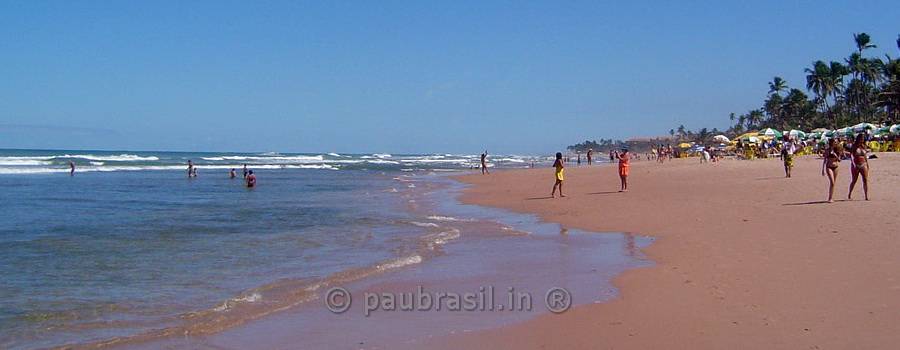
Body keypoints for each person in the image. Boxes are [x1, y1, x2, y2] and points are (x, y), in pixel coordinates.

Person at [848, 133, 870, 201]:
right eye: (861, 138)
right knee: (854, 180)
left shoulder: (864, 146)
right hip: (856, 164)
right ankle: (849, 194)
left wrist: (867, 164)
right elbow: (851, 156)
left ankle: (866, 196)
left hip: (863, 164)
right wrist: (854, 164)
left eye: (863, 138)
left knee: (865, 180)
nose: (862, 139)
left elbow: (865, 156)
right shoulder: (854, 146)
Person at [822, 138, 843, 203]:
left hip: (836, 167)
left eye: (836, 142)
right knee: (832, 182)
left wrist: (835, 155)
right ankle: (830, 198)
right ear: (831, 143)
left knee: (833, 183)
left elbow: (839, 160)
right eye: (835, 142)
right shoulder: (827, 150)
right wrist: (822, 169)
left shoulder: (837, 150)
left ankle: (831, 197)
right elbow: (825, 160)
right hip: (829, 167)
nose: (836, 143)